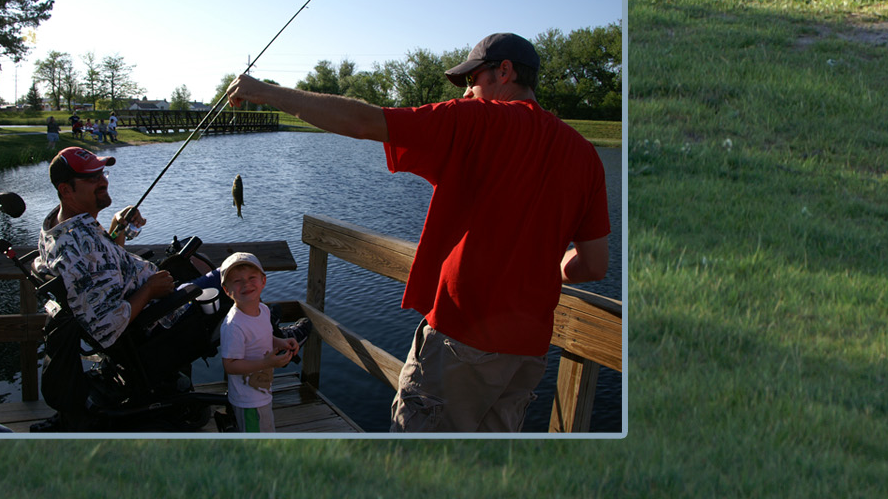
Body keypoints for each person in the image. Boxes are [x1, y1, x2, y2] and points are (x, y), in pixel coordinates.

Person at [227, 32, 610, 432]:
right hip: (528, 352)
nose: (466, 92)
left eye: (471, 80)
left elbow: (363, 122)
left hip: (462, 338)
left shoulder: (480, 120)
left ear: (504, 71)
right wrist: (550, 268)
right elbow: (594, 264)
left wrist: (264, 91)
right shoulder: (585, 155)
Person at [34, 146, 222, 388]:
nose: (102, 181)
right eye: (92, 178)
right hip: (157, 320)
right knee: (236, 270)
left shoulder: (64, 227)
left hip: (147, 298)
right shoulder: (79, 250)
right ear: (66, 190)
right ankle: (269, 342)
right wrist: (149, 291)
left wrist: (116, 228)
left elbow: (105, 272)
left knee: (196, 262)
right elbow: (106, 326)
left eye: (102, 174)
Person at [217, 251, 297, 433]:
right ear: (227, 290)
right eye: (237, 281)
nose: (246, 284)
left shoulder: (263, 310)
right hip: (247, 400)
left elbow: (263, 336)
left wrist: (281, 342)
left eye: (252, 277)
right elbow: (230, 365)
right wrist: (266, 363)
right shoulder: (234, 325)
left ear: (263, 281)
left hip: (262, 391)